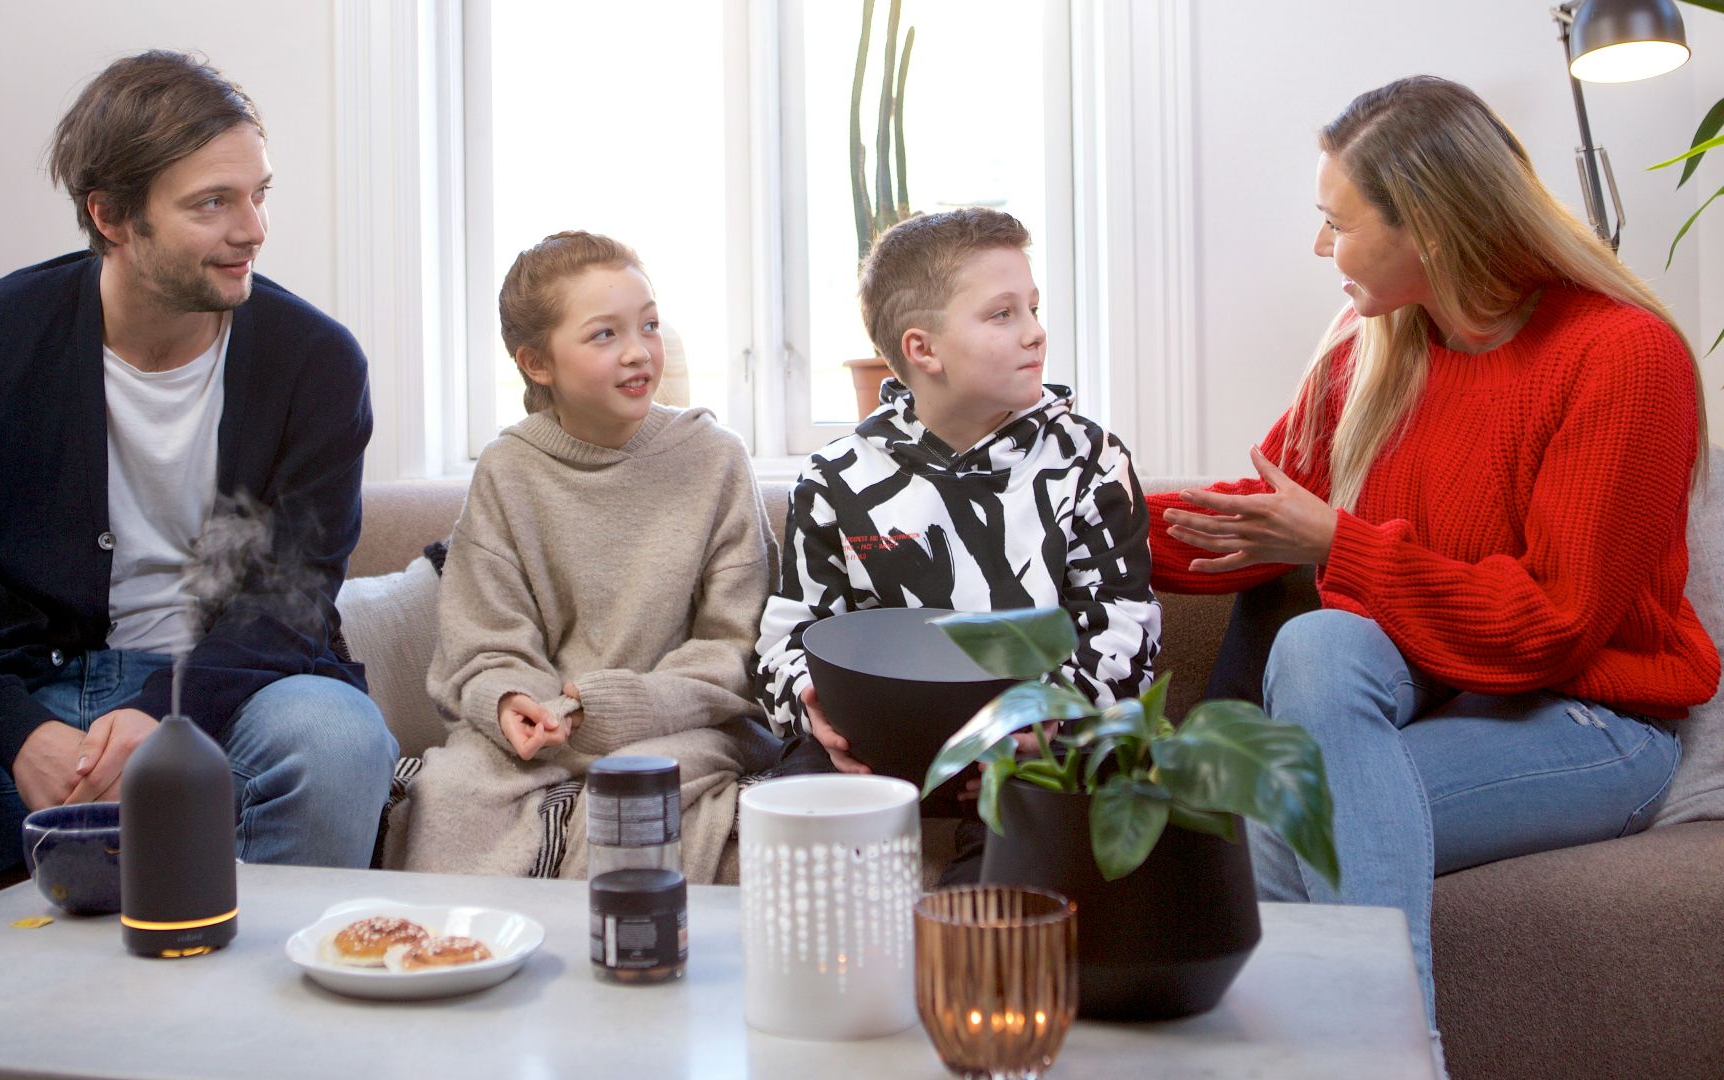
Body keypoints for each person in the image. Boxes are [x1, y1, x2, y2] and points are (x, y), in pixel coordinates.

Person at [1149, 76, 1718, 1035]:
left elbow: (1554, 624)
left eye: (1337, 222)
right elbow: (1259, 517)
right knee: (1319, 645)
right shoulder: (1373, 344)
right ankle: (1393, 1052)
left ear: (1430, 227)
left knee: (1253, 831)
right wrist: (1082, 508)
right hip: (1424, 695)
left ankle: (1380, 1049)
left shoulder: (1623, 355)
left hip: (1592, 720)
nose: (1318, 246)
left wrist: (1341, 545)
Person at [0, 51, 398, 965]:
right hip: (14, 721)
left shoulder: (314, 363)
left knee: (336, 738)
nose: (254, 229)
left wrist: (168, 711)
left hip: (225, 709)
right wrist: (21, 733)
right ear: (111, 215)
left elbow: (291, 601)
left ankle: (253, 1054)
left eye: (258, 194)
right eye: (212, 203)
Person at [753, 207, 1162, 875]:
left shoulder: (1089, 460)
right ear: (923, 349)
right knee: (800, 835)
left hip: (1035, 746)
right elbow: (790, 633)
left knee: (1002, 879)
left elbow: (1124, 627)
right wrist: (811, 706)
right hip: (878, 748)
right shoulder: (835, 479)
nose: (1036, 333)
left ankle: (975, 949)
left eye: (1033, 307)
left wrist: (1048, 721)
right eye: (1003, 314)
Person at [389, 231, 780, 881]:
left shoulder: (715, 458)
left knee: (636, 793)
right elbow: (482, 641)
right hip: (550, 727)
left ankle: (610, 966)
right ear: (538, 363)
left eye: (649, 325)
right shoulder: (508, 470)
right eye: (605, 335)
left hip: (686, 722)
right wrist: (511, 700)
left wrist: (622, 706)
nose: (638, 352)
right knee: (452, 789)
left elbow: (736, 647)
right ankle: (463, 958)